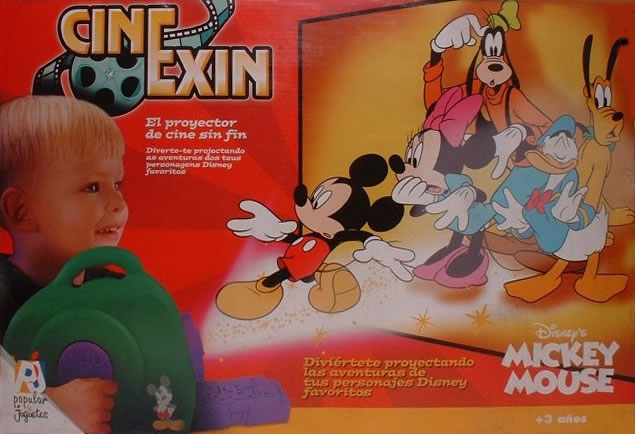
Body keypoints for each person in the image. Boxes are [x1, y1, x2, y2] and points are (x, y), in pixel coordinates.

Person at [0, 95, 127, 433]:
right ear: (21, 211)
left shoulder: (118, 291)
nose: (118, 203)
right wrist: (51, 407)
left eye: (117, 184)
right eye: (92, 187)